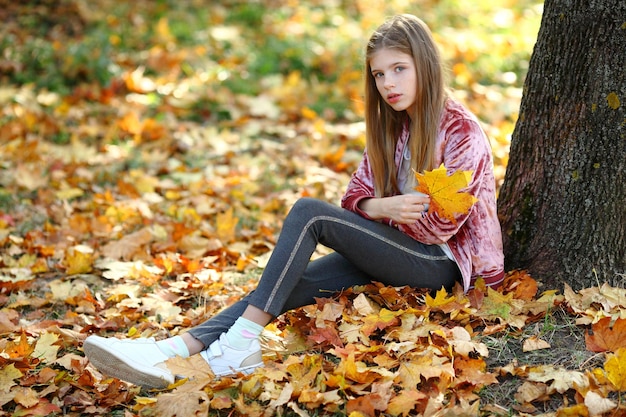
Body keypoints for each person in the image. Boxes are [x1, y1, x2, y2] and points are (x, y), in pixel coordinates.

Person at [83, 14, 504, 389]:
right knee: (291, 279)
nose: (388, 84)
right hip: (395, 248)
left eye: (399, 69)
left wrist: (382, 214)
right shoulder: (394, 129)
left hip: (444, 265)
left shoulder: (461, 131)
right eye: (378, 75)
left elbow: (440, 226)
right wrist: (381, 208)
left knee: (308, 213)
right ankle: (171, 350)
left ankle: (237, 349)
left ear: (425, 67)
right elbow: (355, 194)